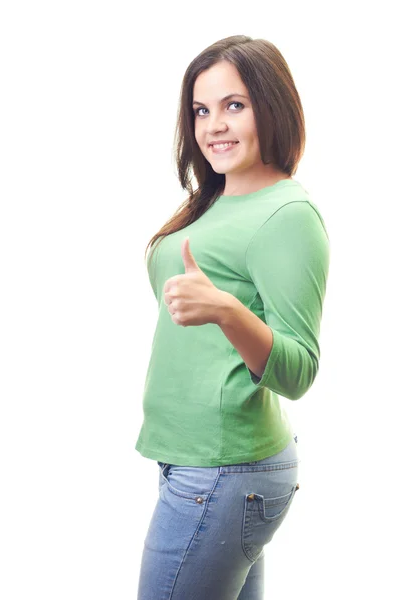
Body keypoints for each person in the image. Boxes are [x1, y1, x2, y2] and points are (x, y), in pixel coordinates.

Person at [135, 34, 330, 600]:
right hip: (198, 462)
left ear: (272, 107)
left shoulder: (288, 215)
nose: (214, 124)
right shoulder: (214, 200)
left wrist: (226, 309)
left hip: (224, 471)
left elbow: (299, 371)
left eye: (234, 106)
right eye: (201, 110)